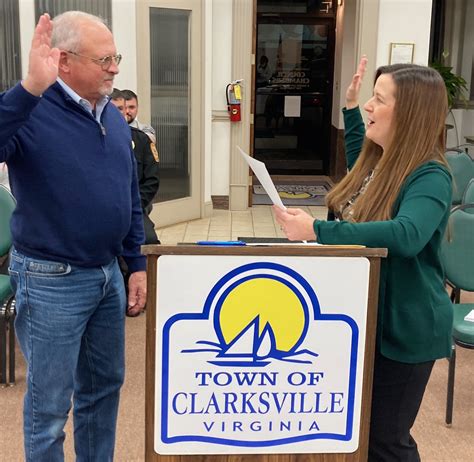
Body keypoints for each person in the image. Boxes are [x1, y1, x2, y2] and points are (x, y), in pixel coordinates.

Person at [274, 57, 453, 461]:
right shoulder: (383, 162)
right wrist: (352, 107)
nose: (370, 106)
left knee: (386, 440)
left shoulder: (430, 174)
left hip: (407, 329)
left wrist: (318, 231)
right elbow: (359, 158)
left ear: (408, 114)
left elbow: (407, 235)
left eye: (379, 99)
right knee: (359, 432)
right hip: (368, 320)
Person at [0, 11, 147, 461]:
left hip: (106, 276)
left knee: (103, 390)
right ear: (64, 61)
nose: (115, 69)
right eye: (104, 59)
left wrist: (135, 263)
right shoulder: (29, 109)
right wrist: (28, 89)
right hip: (50, 279)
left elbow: (129, 194)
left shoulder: (113, 116)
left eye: (115, 57)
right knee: (49, 406)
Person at [111, 88, 160, 245]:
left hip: (134, 207)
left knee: (149, 241)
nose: (120, 113)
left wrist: (134, 205)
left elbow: (151, 180)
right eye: (113, 109)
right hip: (104, 208)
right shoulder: (93, 137)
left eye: (121, 108)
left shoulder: (141, 140)